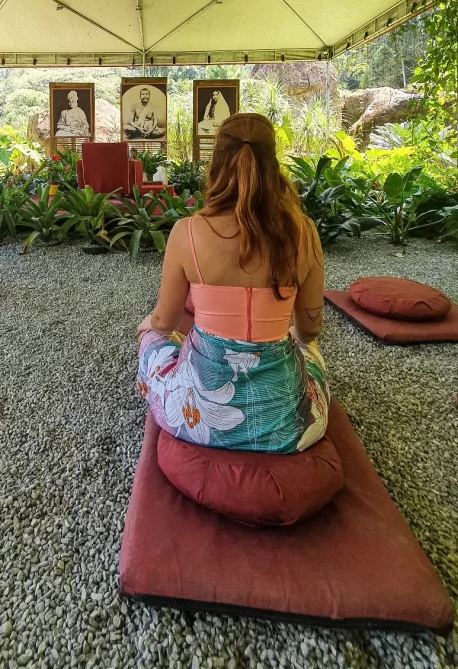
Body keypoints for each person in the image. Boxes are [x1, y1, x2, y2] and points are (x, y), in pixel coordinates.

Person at [137, 112, 328, 453]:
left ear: (217, 164)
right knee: (308, 351)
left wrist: (148, 327)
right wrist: (295, 344)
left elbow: (165, 322)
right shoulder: (305, 233)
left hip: (198, 420)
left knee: (151, 335)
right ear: (273, 164)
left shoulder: (187, 231)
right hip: (288, 426)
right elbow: (310, 329)